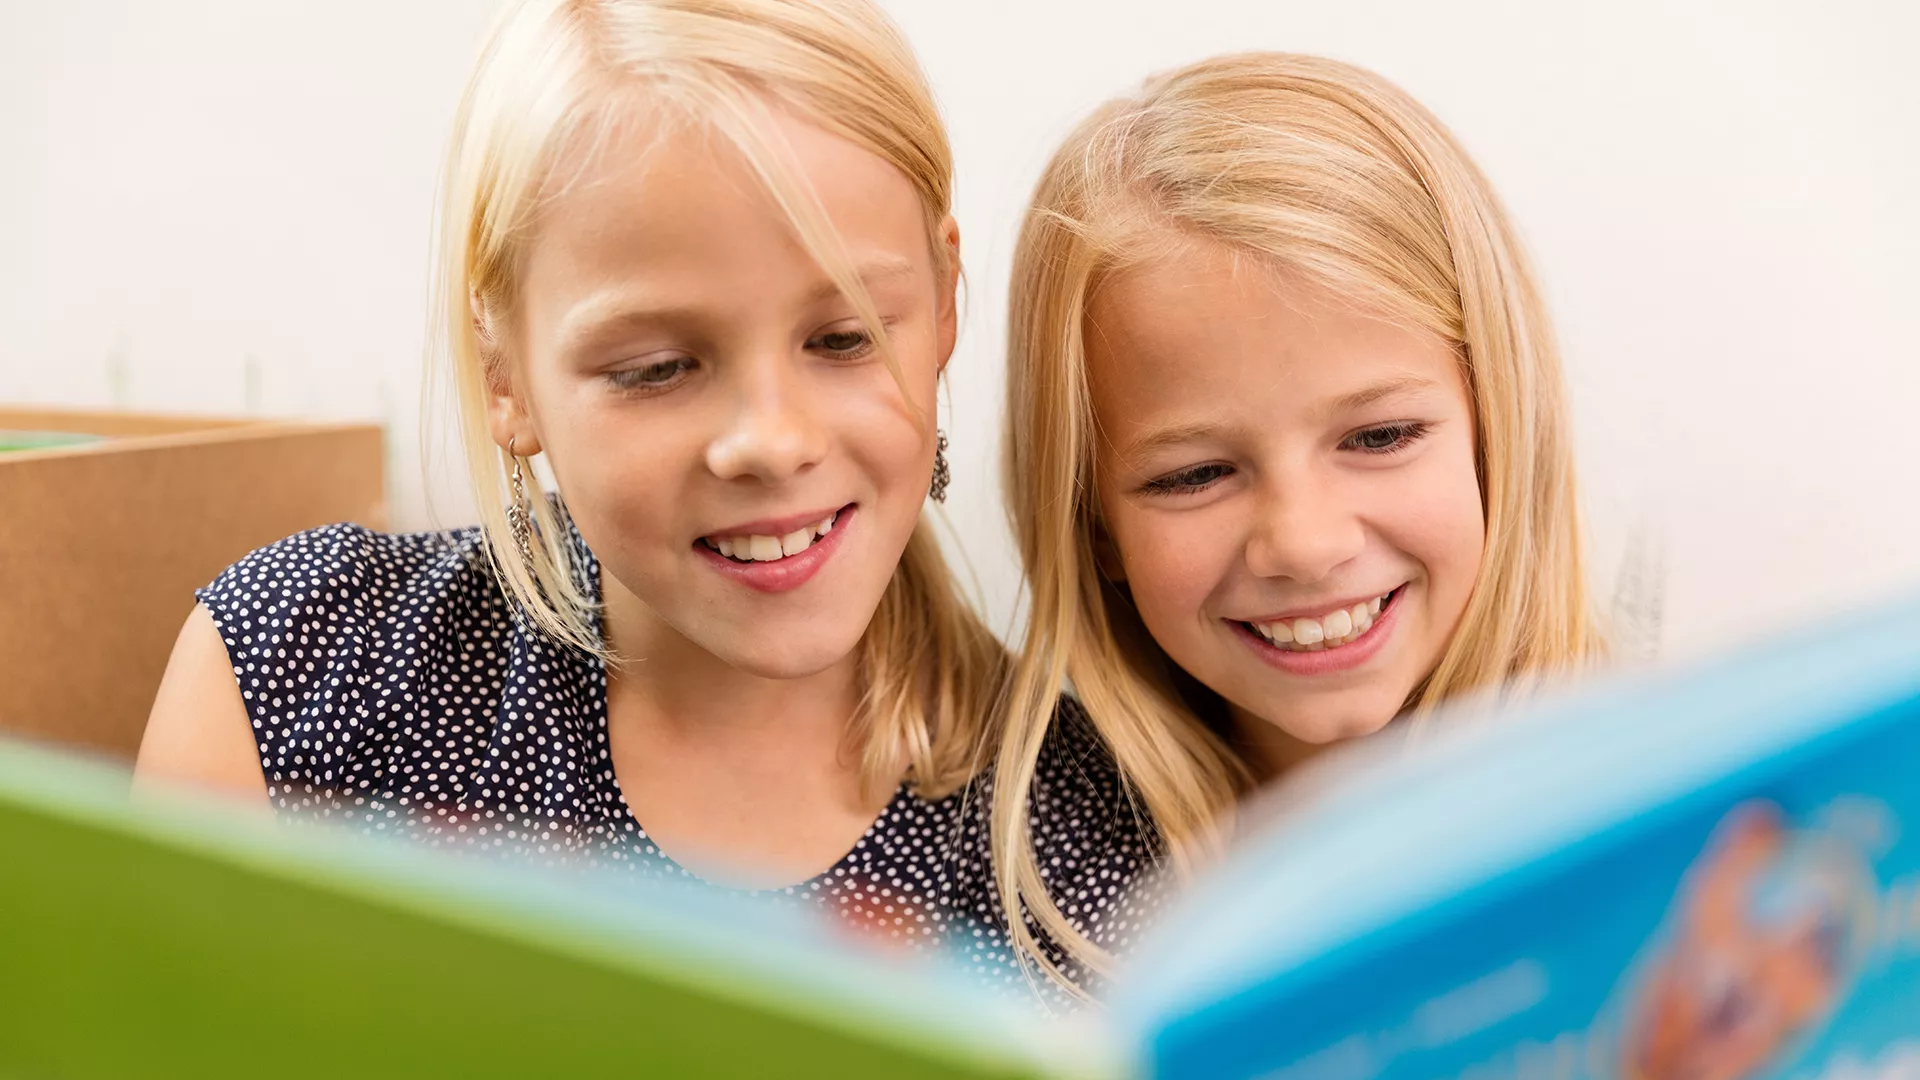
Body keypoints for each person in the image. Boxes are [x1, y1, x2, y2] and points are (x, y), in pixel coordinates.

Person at [137, 0, 1154, 1004]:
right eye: (659, 368)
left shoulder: (1076, 846)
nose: (773, 440)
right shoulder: (298, 669)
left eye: (842, 340)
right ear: (507, 376)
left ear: (943, 307)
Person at [993, 52, 1606, 982]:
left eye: (1381, 435)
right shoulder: (1036, 899)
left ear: (1498, 435)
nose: (1306, 544)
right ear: (1095, 528)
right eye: (1194, 475)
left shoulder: (1683, 831)